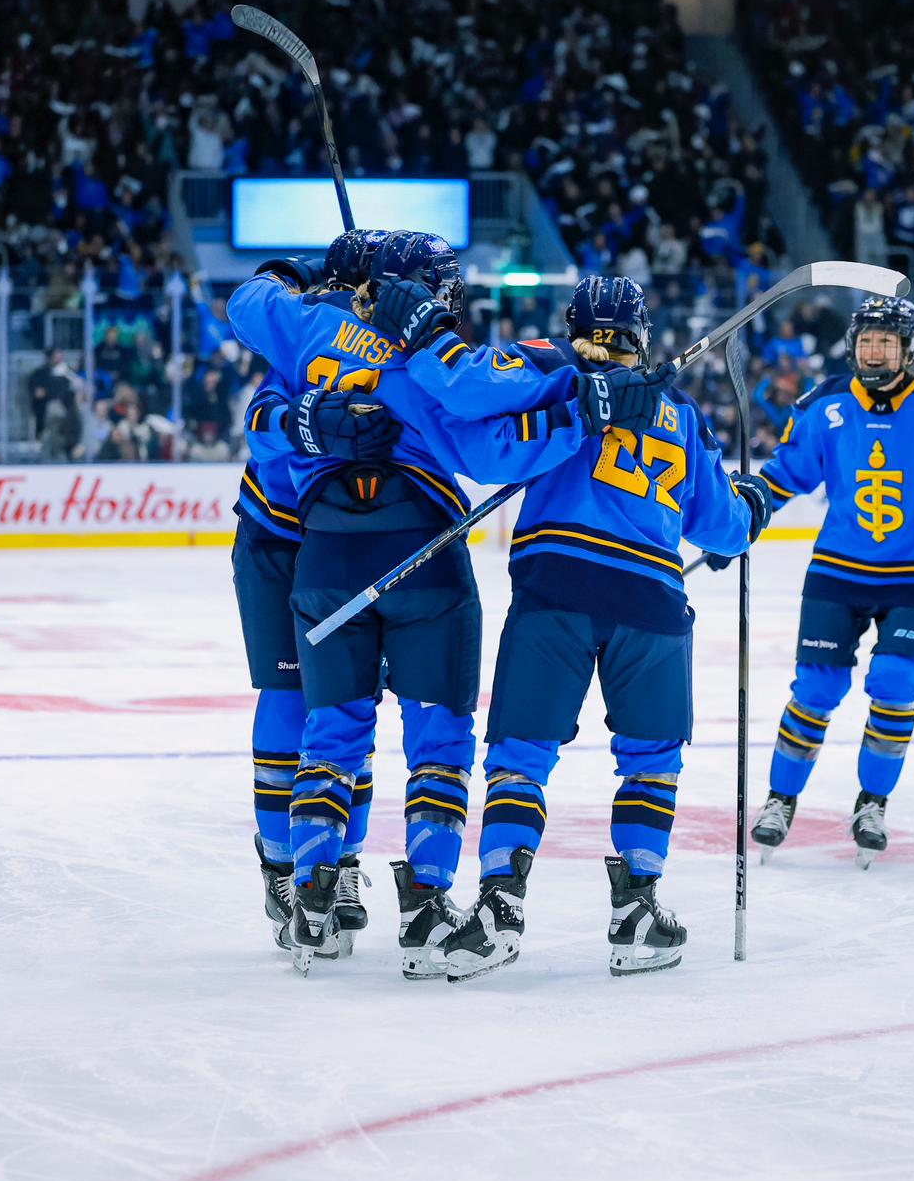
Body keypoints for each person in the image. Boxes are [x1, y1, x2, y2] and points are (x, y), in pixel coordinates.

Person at [229, 231, 660, 976]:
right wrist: (587, 402)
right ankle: (427, 908)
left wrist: (301, 275)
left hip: (325, 551)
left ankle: (311, 904)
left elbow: (248, 304)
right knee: (439, 737)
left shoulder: (309, 328)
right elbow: (488, 443)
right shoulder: (433, 363)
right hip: (422, 553)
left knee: (331, 731)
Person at [403, 276, 769, 980]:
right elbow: (723, 529)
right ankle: (636, 911)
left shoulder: (552, 374)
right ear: (641, 333)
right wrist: (751, 507)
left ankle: (499, 907)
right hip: (654, 603)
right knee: (652, 760)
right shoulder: (680, 412)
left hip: (557, 589)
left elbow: (483, 437)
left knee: (520, 755)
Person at [721, 296, 914, 867]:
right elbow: (786, 473)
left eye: (886, 341)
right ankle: (779, 799)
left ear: (907, 349)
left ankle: (872, 802)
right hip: (839, 569)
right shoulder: (826, 403)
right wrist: (744, 512)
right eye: (867, 339)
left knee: (894, 681)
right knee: (816, 689)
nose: (874, 349)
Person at [230, 229, 394, 960]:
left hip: (348, 539)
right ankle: (280, 869)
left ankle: (341, 860)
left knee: (346, 704)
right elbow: (261, 422)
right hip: (278, 539)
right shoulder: (308, 330)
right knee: (292, 697)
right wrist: (309, 424)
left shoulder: (397, 344)